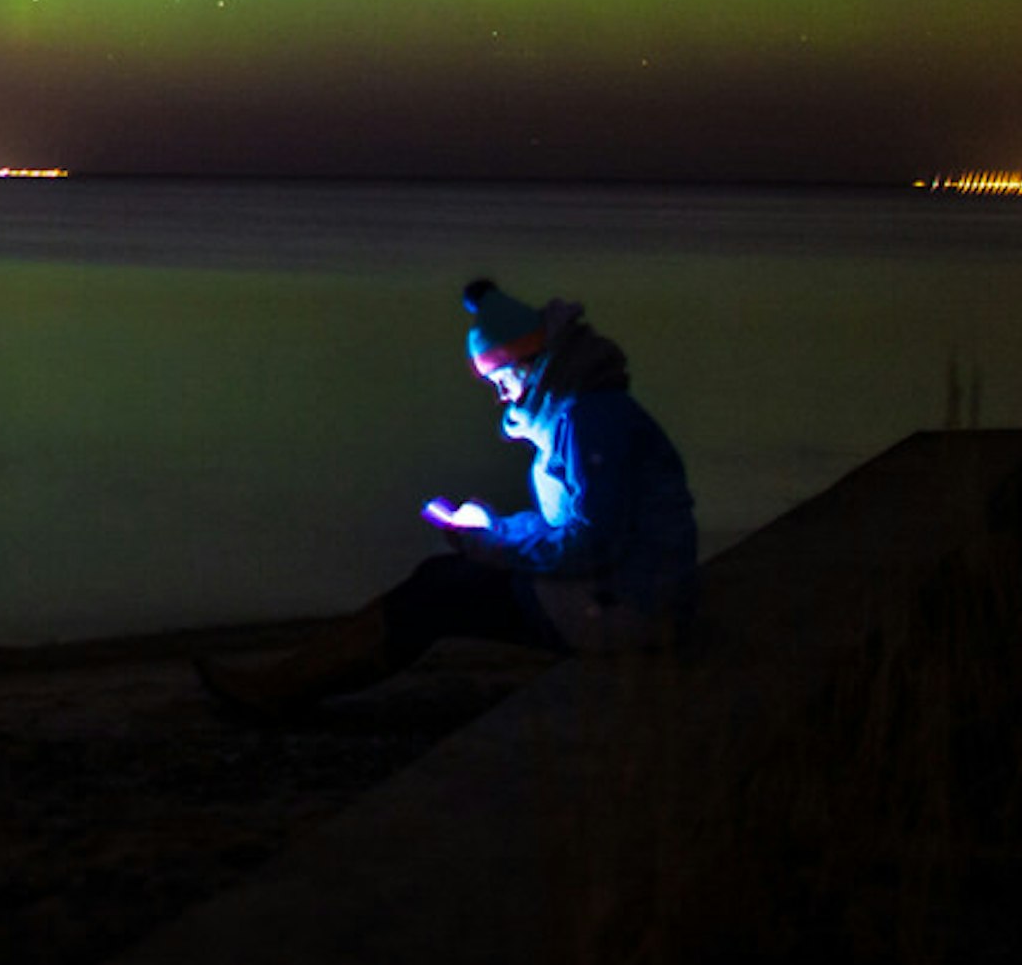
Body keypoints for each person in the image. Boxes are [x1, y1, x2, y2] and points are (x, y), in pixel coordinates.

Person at [198, 277, 698, 719]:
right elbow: (581, 528)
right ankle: (291, 679)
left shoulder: (590, 420)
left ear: (533, 362)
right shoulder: (578, 412)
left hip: (628, 606)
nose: (500, 395)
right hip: (618, 592)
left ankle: (286, 686)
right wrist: (494, 532)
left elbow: (596, 542)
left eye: (500, 379)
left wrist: (493, 548)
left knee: (439, 592)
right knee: (440, 583)